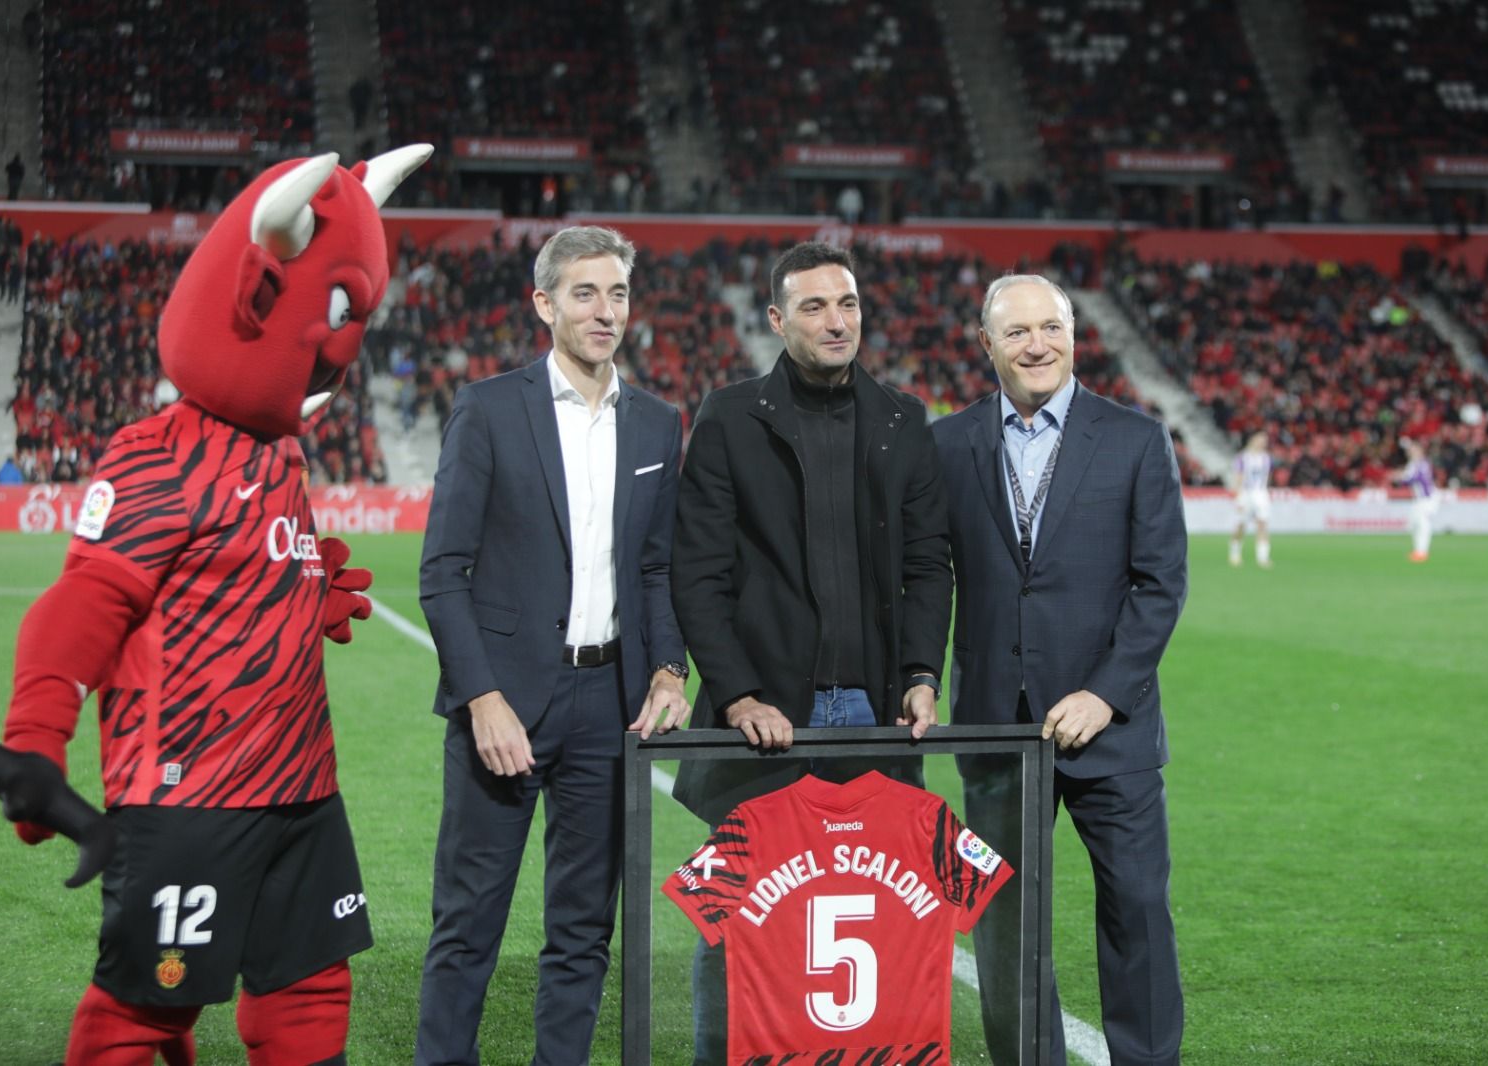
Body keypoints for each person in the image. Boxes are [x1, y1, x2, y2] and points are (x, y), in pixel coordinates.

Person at [0, 145, 431, 1065]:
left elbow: (234, 568)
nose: (342, 346)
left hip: (305, 791)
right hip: (190, 793)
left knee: (313, 992)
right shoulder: (156, 452)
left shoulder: (283, 452)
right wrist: (36, 744)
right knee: (143, 1013)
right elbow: (82, 605)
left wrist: (302, 591)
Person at [414, 225, 691, 1066]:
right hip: (507, 705)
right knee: (469, 923)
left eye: (617, 295)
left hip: (609, 708)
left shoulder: (656, 423)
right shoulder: (490, 408)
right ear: (544, 305)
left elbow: (655, 568)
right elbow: (442, 571)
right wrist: (482, 698)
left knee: (583, 930)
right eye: (585, 293)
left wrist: (672, 667)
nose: (605, 312)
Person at [670, 240, 952, 1064]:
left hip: (873, 714)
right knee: (737, 915)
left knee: (878, 908)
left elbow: (927, 565)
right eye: (817, 307)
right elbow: (699, 574)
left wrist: (921, 676)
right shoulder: (729, 416)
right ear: (777, 320)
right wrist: (739, 693)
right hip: (764, 716)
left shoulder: (905, 419)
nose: (838, 321)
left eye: (849, 304)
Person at [932, 274, 1188, 1066]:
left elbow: (1160, 584)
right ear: (986, 345)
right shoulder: (947, 444)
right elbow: (924, 577)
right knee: (1007, 921)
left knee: (1138, 908)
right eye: (1016, 332)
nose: (1036, 344)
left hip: (1110, 729)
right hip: (998, 728)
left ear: (1074, 336)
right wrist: (916, 672)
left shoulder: (1136, 439)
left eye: (1050, 328)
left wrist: (1105, 695)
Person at [1229, 430, 1273, 568]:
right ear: (1252, 439)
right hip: (1246, 494)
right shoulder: (1242, 458)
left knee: (1262, 524)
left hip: (1261, 494)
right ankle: (1234, 553)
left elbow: (1268, 477)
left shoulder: (1266, 458)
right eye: (1261, 439)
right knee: (1241, 525)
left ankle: (1263, 558)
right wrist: (1238, 497)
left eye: (1265, 440)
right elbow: (1238, 477)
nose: (1263, 442)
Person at [1395, 437, 1438, 562]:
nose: (1410, 452)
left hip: (1427, 499)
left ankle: (1422, 552)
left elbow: (1412, 478)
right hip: (1419, 499)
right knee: (1414, 524)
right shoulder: (1414, 464)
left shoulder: (1421, 464)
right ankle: (1418, 551)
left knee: (1423, 523)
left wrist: (1400, 477)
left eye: (1413, 449)